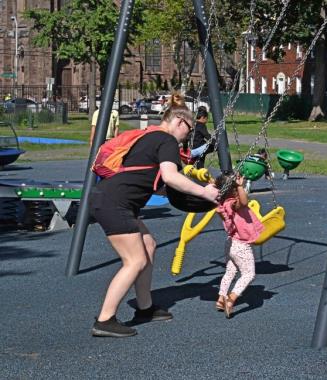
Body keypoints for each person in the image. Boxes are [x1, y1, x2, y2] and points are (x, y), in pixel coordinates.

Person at [89, 92, 219, 337]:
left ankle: (145, 308)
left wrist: (195, 187)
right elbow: (171, 177)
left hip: (111, 199)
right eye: (188, 132)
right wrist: (205, 193)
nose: (186, 139)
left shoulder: (147, 137)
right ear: (180, 122)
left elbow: (157, 182)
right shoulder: (167, 140)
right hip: (115, 203)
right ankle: (104, 320)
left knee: (148, 244)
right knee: (134, 260)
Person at [214, 173, 264, 319]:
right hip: (241, 246)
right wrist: (240, 186)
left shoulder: (223, 203)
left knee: (230, 271)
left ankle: (221, 298)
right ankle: (231, 299)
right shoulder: (232, 203)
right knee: (249, 274)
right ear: (232, 188)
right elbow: (243, 202)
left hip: (231, 243)